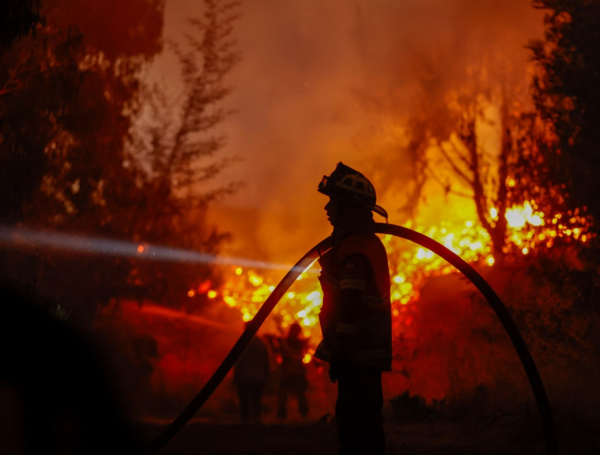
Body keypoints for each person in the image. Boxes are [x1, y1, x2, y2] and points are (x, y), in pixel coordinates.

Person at [314, 162, 392, 455]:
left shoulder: (355, 252)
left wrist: (340, 353)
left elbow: (351, 307)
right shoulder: (357, 245)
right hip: (361, 357)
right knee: (363, 426)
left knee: (357, 431)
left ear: (349, 209)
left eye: (333, 202)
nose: (328, 208)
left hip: (357, 355)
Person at [233, 322, 271, 423]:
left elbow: (238, 361)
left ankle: (245, 422)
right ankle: (256, 420)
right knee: (256, 400)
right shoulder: (261, 343)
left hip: (244, 376)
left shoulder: (242, 342)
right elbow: (266, 361)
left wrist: (236, 374)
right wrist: (266, 375)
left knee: (244, 401)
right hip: (258, 377)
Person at [274, 322, 309, 420]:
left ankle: (303, 416)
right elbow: (279, 353)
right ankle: (282, 417)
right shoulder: (292, 342)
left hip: (294, 373)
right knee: (284, 396)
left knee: (299, 396)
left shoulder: (297, 343)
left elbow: (297, 355)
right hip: (289, 372)